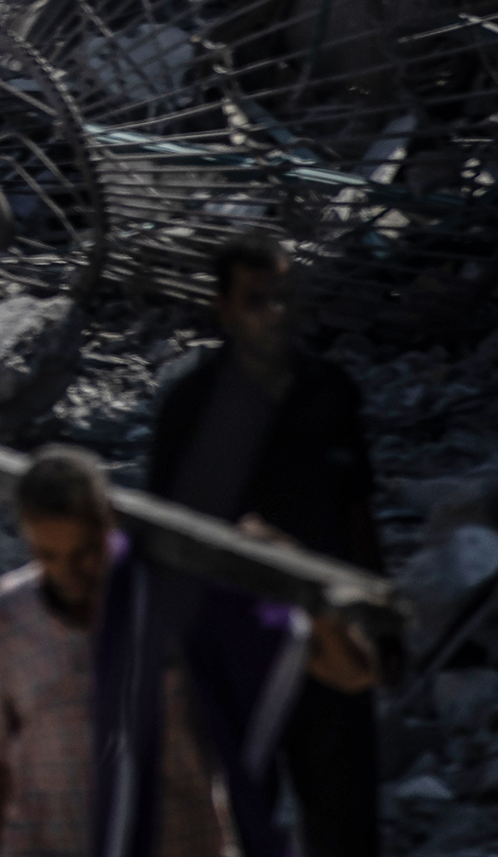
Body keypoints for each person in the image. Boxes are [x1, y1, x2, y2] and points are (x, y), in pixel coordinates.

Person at [145, 232, 383, 857]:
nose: (274, 313)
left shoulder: (329, 392)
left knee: (345, 809)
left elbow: (356, 508)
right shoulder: (190, 408)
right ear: (223, 307)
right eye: (258, 300)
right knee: (242, 811)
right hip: (234, 640)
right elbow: (162, 534)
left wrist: (379, 623)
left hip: (327, 628)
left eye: (284, 298)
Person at [0, 449, 234, 857]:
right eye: (49, 556)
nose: (68, 575)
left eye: (84, 554)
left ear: (108, 526)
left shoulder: (165, 604)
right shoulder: (7, 621)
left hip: (175, 840)